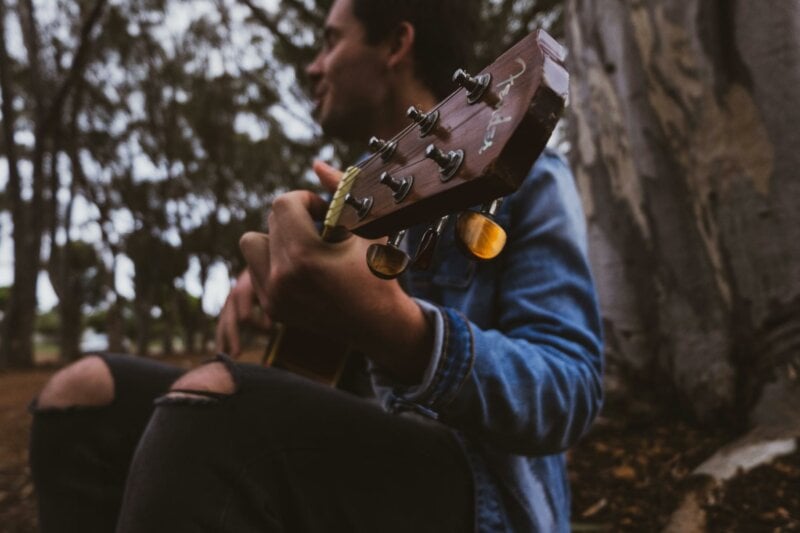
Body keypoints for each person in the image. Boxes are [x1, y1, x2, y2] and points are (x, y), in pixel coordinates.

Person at [28, 0, 603, 531]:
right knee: (82, 395)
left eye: (330, 42)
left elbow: (570, 391)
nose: (313, 66)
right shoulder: (361, 189)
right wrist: (271, 274)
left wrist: (403, 331)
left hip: (488, 502)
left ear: (395, 45)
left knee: (213, 409)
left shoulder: (525, 180)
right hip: (349, 465)